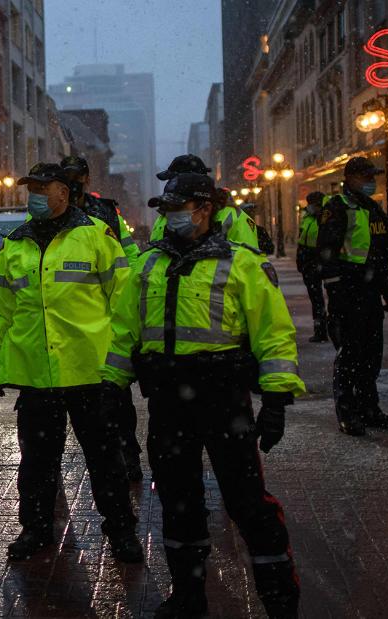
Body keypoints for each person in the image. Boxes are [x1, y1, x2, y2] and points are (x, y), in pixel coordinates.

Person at [102, 172, 304, 618]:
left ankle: (280, 601)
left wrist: (275, 400)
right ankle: (188, 595)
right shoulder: (149, 265)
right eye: (167, 209)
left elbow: (273, 334)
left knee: (247, 503)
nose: (172, 217)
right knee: (178, 499)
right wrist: (110, 387)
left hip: (224, 399)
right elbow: (123, 332)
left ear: (205, 208)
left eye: (180, 208)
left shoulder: (240, 264)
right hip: (168, 402)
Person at [0, 162, 143, 563]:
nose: (34, 194)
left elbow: (123, 302)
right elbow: (0, 307)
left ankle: (121, 530)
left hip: (90, 372)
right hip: (36, 375)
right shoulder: (16, 243)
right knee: (37, 462)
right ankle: (35, 529)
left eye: (42, 186)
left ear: (64, 192)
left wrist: (121, 361)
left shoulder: (95, 236)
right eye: (30, 187)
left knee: (105, 459)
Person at [60, 154, 144, 481]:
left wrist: (129, 297)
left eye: (77, 176)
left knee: (116, 397)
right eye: (67, 176)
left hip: (104, 319)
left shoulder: (106, 212)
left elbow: (129, 255)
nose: (73, 182)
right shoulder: (53, 213)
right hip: (66, 322)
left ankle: (128, 455)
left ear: (86, 178)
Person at [317, 157, 388, 436]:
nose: (371, 181)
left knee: (371, 356)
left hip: (369, 293)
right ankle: (347, 412)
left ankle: (370, 408)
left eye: (372, 176)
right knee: (350, 355)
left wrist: (387, 292)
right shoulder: (338, 207)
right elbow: (326, 251)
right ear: (350, 177)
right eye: (365, 176)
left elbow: (381, 255)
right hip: (347, 293)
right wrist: (336, 289)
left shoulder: (373, 208)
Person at [151, 155, 259, 248]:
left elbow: (248, 262)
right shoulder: (163, 218)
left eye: (174, 179)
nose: (171, 184)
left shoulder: (233, 217)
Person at [296, 191, 328, 342]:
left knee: (331, 299)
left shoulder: (327, 218)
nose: (309, 207)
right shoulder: (307, 218)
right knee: (316, 299)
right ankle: (320, 330)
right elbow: (302, 241)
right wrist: (301, 261)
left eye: (312, 204)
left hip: (323, 261)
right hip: (310, 263)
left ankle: (331, 329)